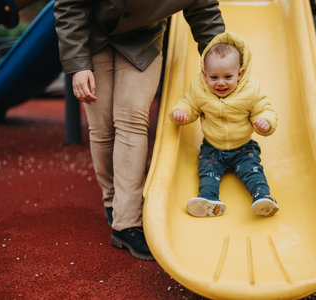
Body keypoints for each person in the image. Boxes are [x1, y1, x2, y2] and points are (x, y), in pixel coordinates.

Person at [53, 0, 225, 261]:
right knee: (102, 126)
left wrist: (225, 63)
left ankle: (127, 223)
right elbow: (70, 5)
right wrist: (78, 65)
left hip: (142, 40)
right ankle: (112, 200)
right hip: (91, 33)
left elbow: (204, 13)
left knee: (131, 119)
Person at [170, 32, 279, 218]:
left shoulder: (250, 90)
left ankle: (263, 197)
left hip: (243, 148)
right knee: (207, 172)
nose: (221, 83)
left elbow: (264, 109)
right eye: (214, 78)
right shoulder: (199, 89)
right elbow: (189, 104)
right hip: (213, 147)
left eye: (228, 77)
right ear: (205, 75)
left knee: (252, 171)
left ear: (240, 73)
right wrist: (181, 113)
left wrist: (265, 122)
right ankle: (209, 200)